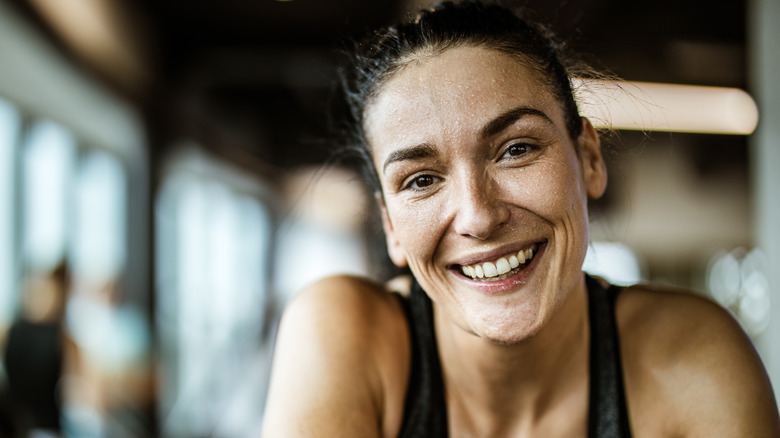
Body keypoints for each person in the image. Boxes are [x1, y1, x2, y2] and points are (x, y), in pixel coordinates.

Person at [261, 1, 780, 436]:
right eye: (420, 179)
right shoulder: (345, 335)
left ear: (590, 160)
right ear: (391, 226)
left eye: (516, 149)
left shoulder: (691, 358)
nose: (479, 217)